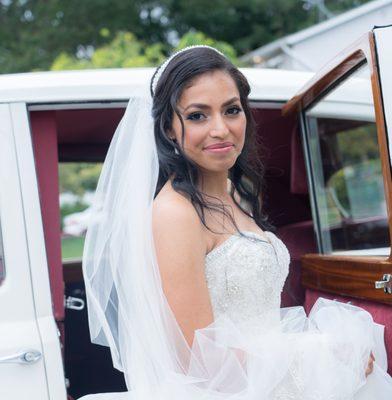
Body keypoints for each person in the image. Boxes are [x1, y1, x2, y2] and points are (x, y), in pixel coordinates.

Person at [79, 45, 392, 400]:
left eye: (231, 110)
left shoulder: (238, 195)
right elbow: (200, 362)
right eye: (198, 116)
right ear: (168, 128)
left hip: (266, 380)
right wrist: (322, 354)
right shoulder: (176, 213)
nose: (221, 129)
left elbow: (257, 324)